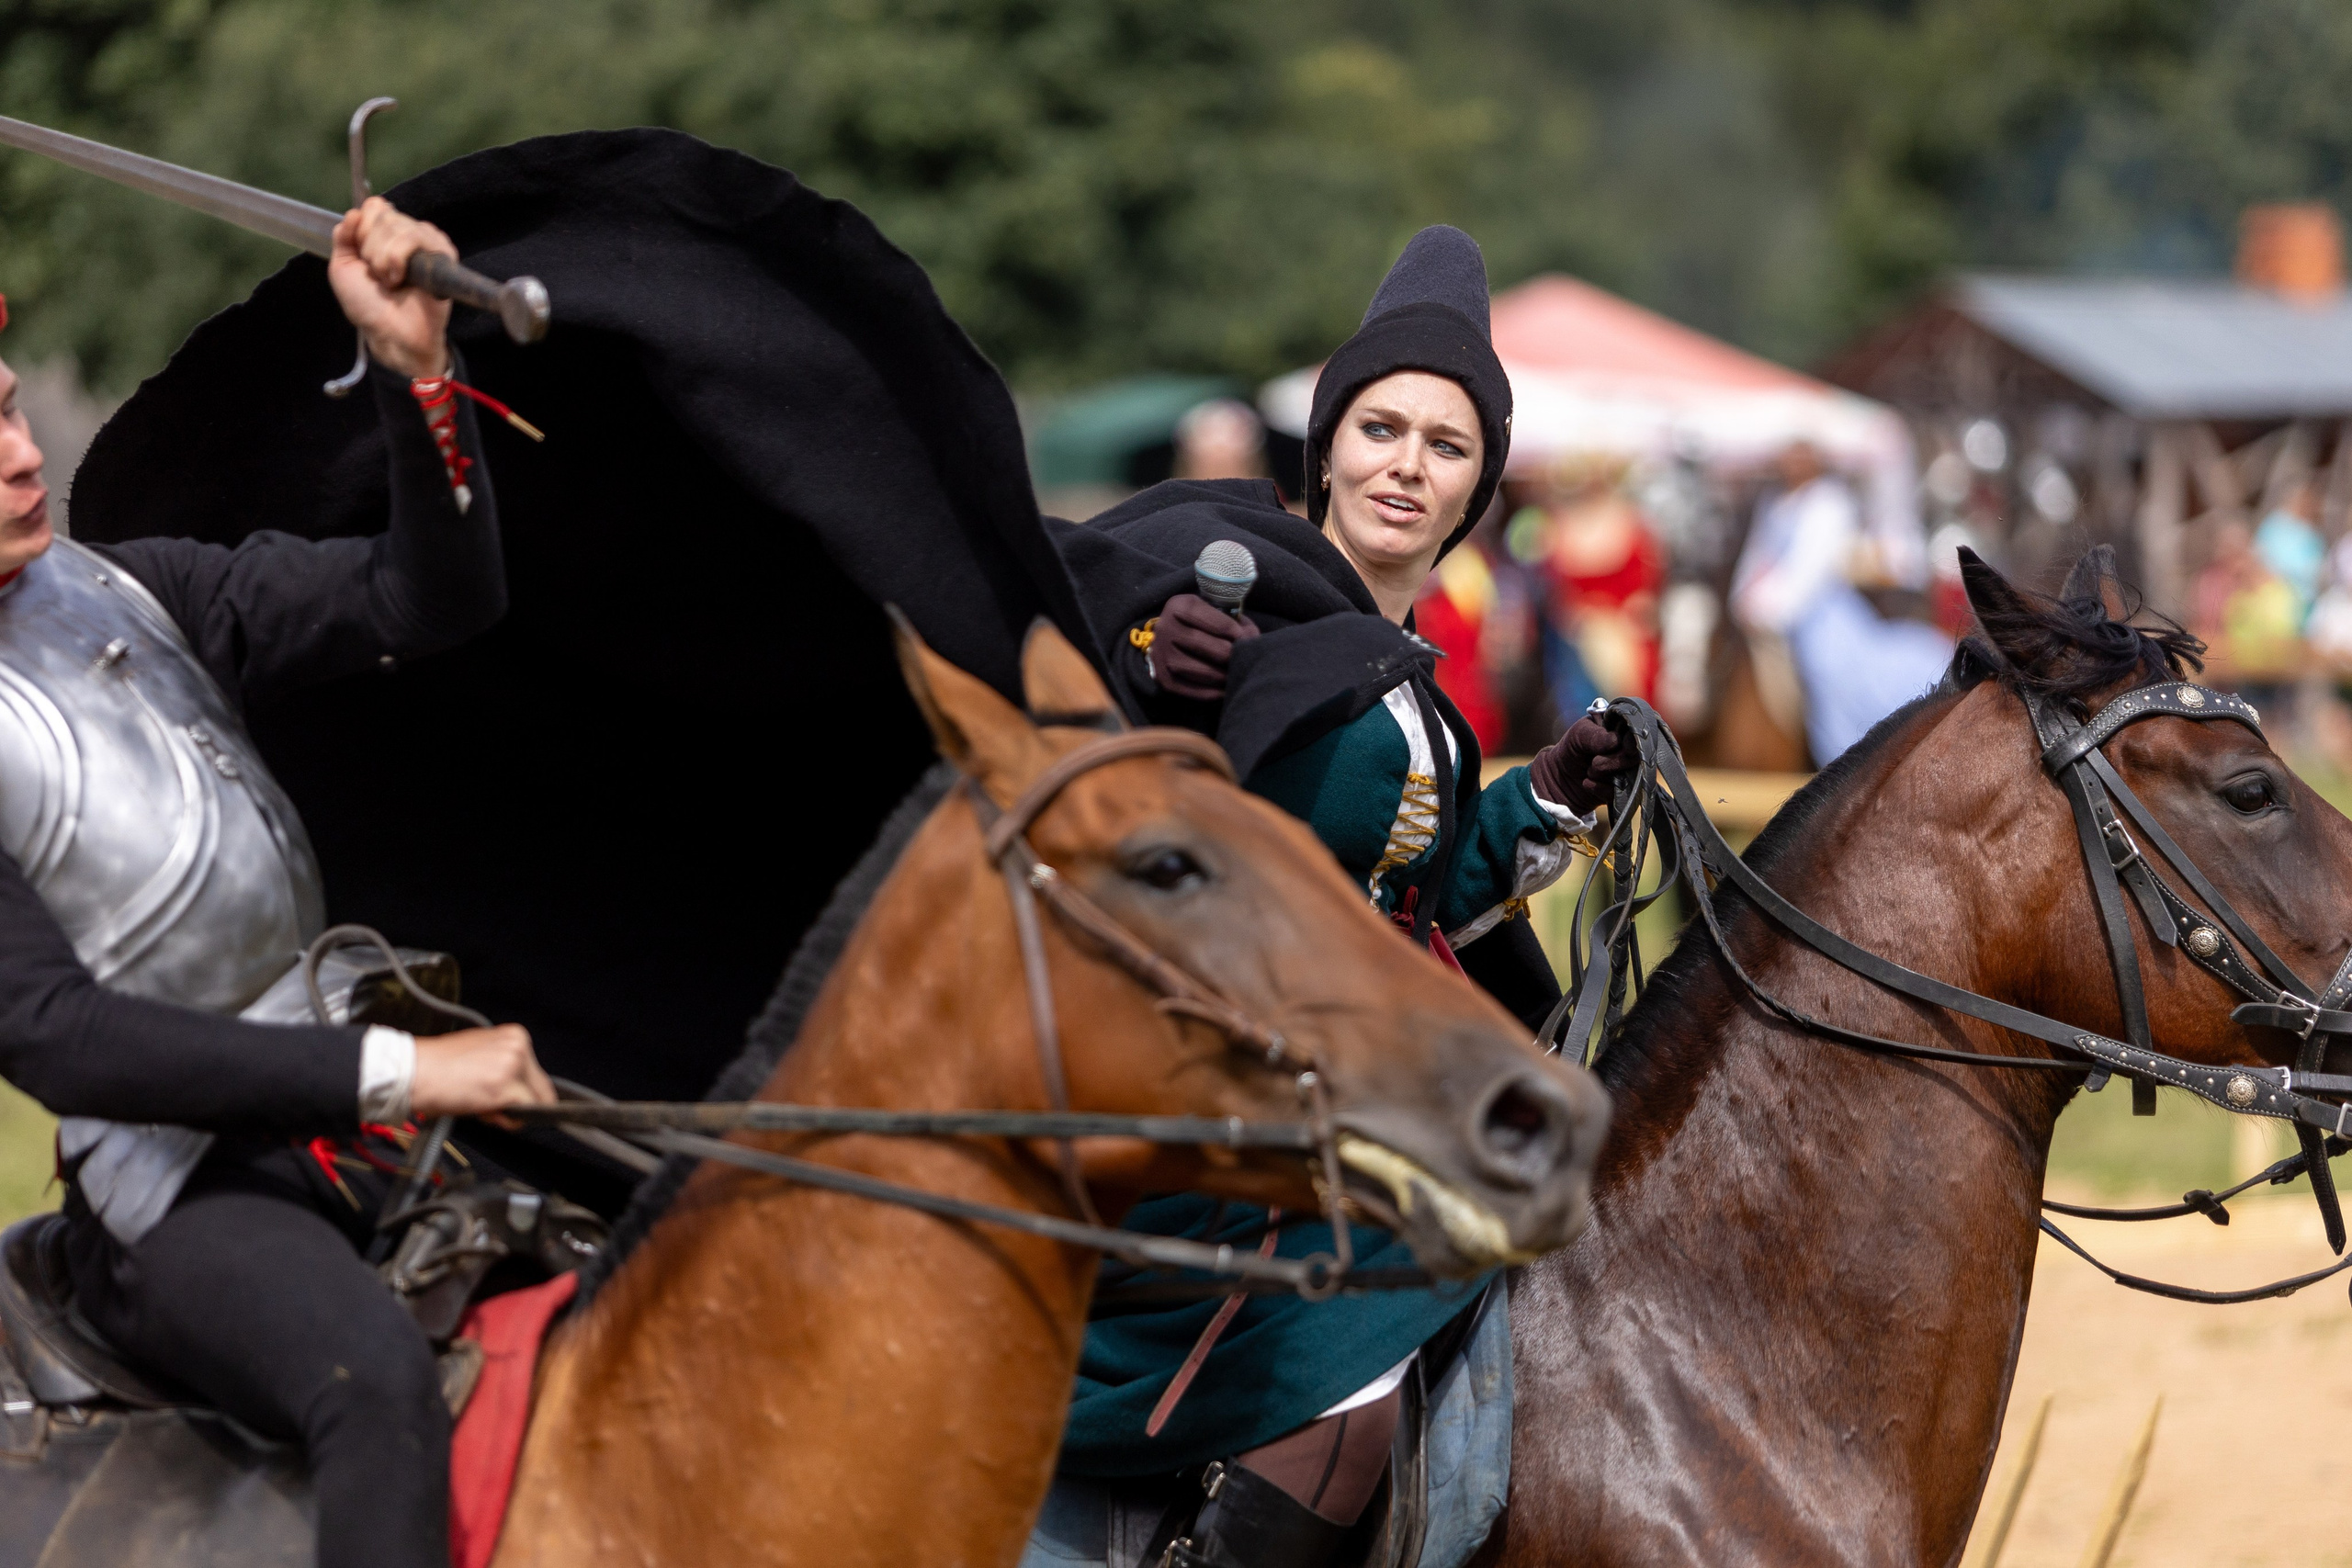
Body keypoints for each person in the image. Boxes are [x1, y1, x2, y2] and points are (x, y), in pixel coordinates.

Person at [1046, 226, 1629, 1568]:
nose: (1405, 466)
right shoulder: (1220, 570)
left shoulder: (1413, 674)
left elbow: (1390, 900)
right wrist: (1151, 656)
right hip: (1202, 1082)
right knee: (1364, 1354)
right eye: (1381, 427)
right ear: (1327, 438)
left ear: (1480, 485)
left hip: (1344, 1066)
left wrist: (1538, 794)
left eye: (1445, 444)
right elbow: (1071, 650)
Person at [0, 198, 555, 1568]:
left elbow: (429, 599)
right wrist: (398, 1074)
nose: (23, 458)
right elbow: (55, 1037)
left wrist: (419, 372)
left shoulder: (138, 590)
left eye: (13, 413)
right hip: (176, 1195)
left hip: (338, 1119)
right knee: (372, 1389)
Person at [1729, 441, 1951, 764]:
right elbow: (1755, 559)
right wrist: (1743, 601)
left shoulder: (1830, 502)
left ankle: (1841, 760)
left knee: (1828, 673)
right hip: (1771, 612)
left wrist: (1769, 610)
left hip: (1818, 617)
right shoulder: (1772, 501)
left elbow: (1811, 572)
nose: (1792, 461)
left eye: (1801, 451)